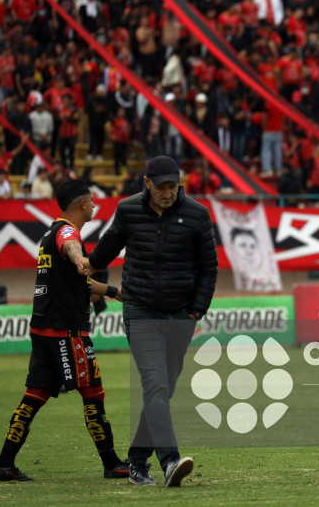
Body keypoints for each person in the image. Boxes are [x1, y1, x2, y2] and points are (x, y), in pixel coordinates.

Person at [80, 155, 218, 487]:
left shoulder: (198, 215)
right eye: (162, 187)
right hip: (140, 311)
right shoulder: (128, 210)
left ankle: (137, 461)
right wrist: (82, 264)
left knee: (163, 390)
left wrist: (195, 311)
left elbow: (209, 269)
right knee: (155, 385)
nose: (168, 193)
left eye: (174, 187)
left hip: (181, 315)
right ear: (147, 183)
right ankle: (170, 461)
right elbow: (103, 254)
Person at [0, 180, 128, 482]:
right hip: (66, 331)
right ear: (82, 204)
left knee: (34, 396)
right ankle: (112, 464)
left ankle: (4, 464)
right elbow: (72, 246)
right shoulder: (68, 232)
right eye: (92, 200)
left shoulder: (47, 235)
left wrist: (112, 291)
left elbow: (76, 281)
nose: (95, 205)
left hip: (43, 328)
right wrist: (81, 258)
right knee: (93, 392)